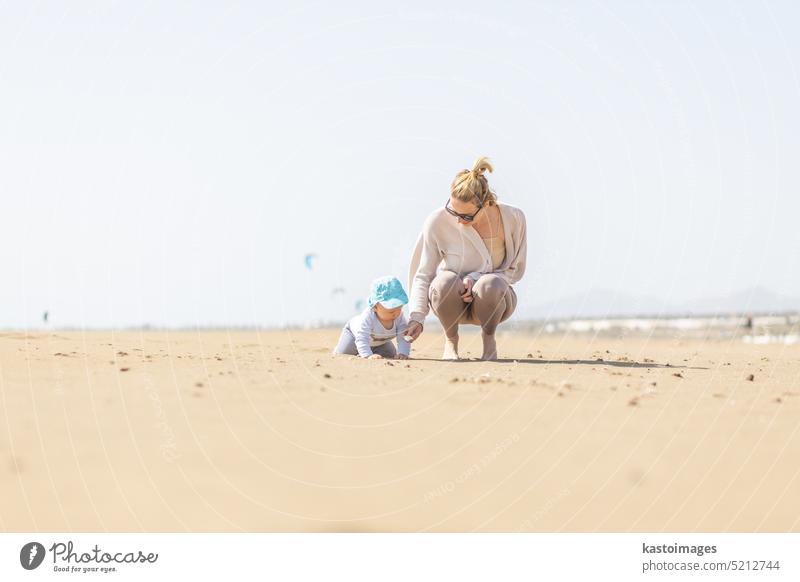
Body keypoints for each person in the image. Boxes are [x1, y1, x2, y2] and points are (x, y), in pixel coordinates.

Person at [405, 156, 527, 360]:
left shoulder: (514, 218)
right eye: (453, 211)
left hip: (494, 301)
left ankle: (489, 341)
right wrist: (417, 317)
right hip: (450, 302)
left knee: (489, 283)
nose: (459, 221)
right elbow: (423, 273)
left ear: (487, 202)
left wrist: (475, 278)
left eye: (467, 216)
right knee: (444, 281)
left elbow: (515, 270)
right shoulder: (437, 221)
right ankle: (451, 341)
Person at [333, 276, 411, 359]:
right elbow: (362, 337)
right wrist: (367, 355)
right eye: (391, 311)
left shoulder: (399, 317)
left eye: (399, 308)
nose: (396, 313)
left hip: (380, 341)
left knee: (391, 353)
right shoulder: (368, 316)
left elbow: (403, 337)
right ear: (375, 307)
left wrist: (403, 353)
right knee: (344, 352)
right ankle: (359, 351)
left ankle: (370, 349)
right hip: (354, 335)